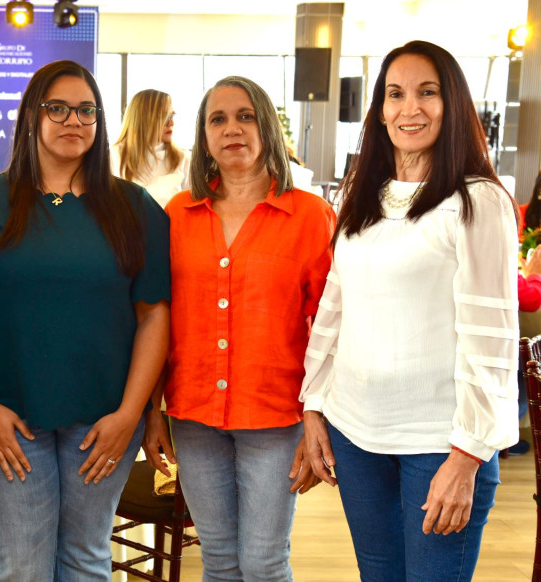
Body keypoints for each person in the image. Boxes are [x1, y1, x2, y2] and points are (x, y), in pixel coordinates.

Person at [299, 40, 518, 582]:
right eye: (394, 94)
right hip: (356, 434)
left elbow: (491, 338)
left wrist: (468, 455)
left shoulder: (477, 201)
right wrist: (314, 404)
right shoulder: (362, 193)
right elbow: (335, 306)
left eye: (427, 93)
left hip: (438, 443)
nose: (409, 108)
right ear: (380, 110)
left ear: (454, 105)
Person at [0, 60, 170, 581]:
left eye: (87, 110)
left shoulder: (134, 207)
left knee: (86, 557)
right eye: (59, 108)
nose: (74, 120)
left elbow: (155, 313)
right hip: (7, 416)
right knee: (21, 562)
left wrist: (130, 415)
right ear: (31, 117)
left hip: (105, 418)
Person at [143, 75, 333, 581]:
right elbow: (156, 320)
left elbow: (331, 329)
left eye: (245, 116)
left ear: (267, 127)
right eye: (218, 119)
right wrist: (152, 411)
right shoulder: (176, 215)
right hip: (193, 414)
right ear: (203, 137)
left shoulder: (311, 216)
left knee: (265, 563)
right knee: (219, 561)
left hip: (276, 417)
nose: (233, 129)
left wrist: (321, 419)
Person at [110, 89, 190, 207]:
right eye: (165, 116)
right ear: (144, 118)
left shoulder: (183, 158)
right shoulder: (115, 155)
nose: (171, 123)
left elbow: (193, 208)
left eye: (172, 115)